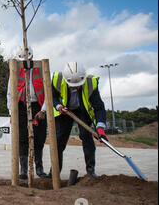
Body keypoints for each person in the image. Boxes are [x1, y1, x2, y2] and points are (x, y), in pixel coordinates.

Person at [49, 62, 107, 178]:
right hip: (64, 111)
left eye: (78, 84)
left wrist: (100, 127)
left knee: (86, 137)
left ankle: (90, 171)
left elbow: (99, 107)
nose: (76, 87)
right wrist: (58, 106)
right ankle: (54, 173)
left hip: (82, 111)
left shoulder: (91, 83)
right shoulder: (57, 79)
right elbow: (52, 97)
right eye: (73, 85)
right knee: (59, 140)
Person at [6, 46, 48, 179]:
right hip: (21, 107)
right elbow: (9, 94)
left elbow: (48, 93)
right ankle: (24, 170)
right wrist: (12, 112)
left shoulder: (41, 70)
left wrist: (43, 110)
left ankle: (39, 168)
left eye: (27, 58)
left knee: (39, 139)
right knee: (22, 139)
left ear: (31, 57)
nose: (24, 62)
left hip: (38, 107)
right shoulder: (15, 72)